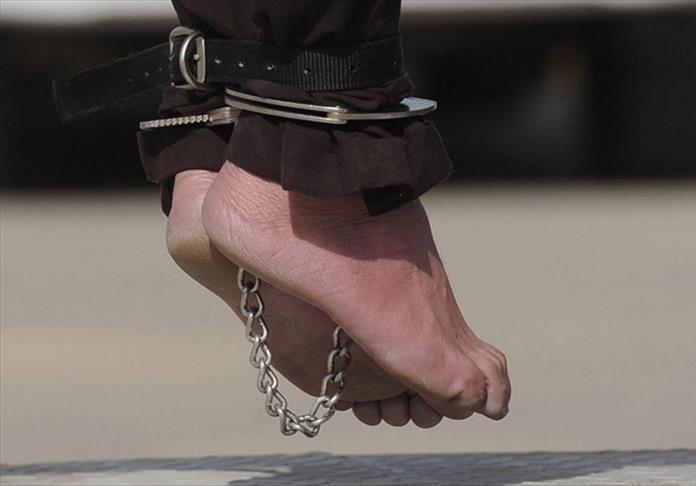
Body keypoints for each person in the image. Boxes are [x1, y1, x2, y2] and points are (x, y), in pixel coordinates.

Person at [139, 0, 511, 429]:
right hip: (316, 159)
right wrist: (339, 142)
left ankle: (230, 144)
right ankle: (315, 196)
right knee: (311, 99)